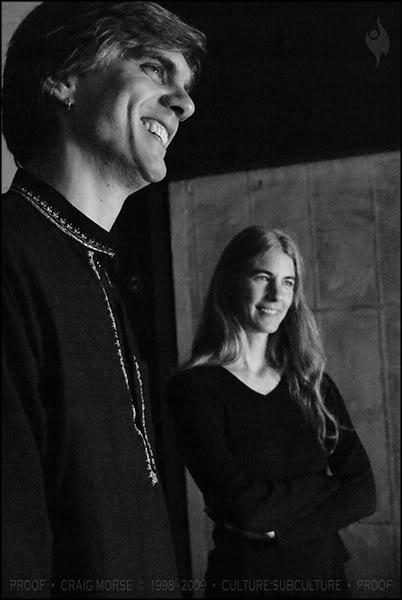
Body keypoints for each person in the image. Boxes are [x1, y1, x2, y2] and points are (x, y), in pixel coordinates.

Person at [1, 2, 206, 597]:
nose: (185, 104)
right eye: (155, 69)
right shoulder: (10, 256)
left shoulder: (96, 272)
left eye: (186, 86)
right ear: (64, 79)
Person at [167, 226, 376, 598]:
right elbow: (245, 509)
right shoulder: (193, 389)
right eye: (263, 277)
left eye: (288, 282)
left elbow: (363, 492)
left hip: (325, 580)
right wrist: (329, 486)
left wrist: (282, 529)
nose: (277, 295)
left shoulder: (312, 383)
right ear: (232, 282)